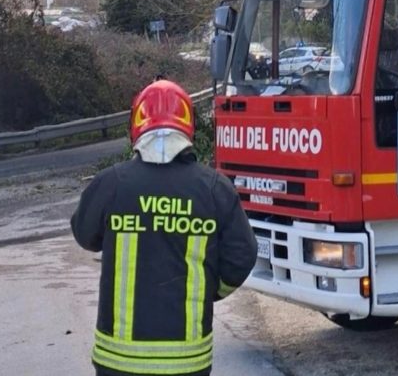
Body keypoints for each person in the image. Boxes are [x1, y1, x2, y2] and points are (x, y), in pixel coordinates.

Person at [71, 79, 258, 376]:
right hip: (187, 361)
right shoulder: (213, 188)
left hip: (117, 361)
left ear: (136, 124)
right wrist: (210, 293)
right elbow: (243, 255)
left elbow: (85, 235)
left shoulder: (111, 184)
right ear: (188, 126)